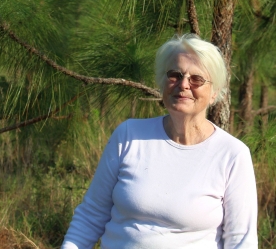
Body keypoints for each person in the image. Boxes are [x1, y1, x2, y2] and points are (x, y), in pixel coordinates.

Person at [61, 34, 258, 249]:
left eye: (197, 79)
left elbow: (241, 241)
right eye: (175, 74)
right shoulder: (129, 135)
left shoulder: (232, 154)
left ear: (214, 94)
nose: (183, 84)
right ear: (163, 83)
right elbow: (90, 216)